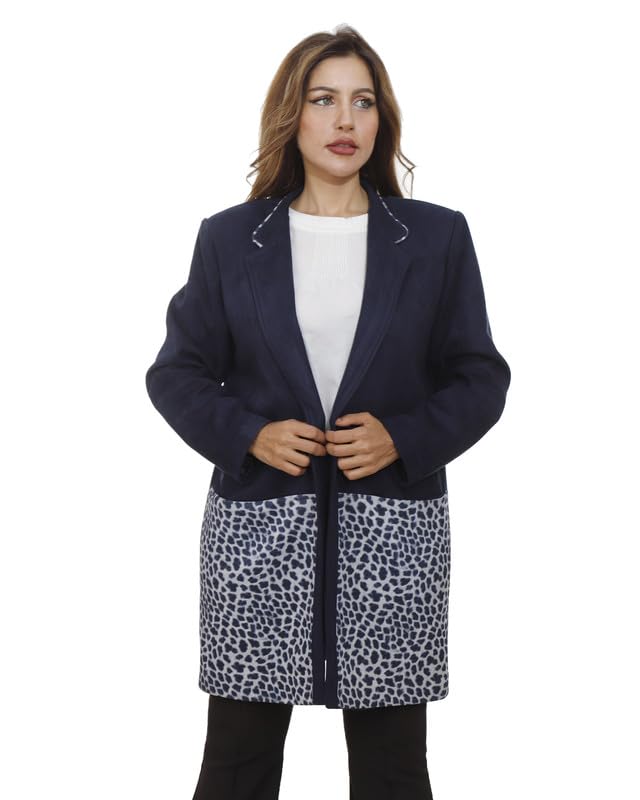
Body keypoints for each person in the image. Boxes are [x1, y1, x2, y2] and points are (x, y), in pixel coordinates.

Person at [145, 24, 511, 800]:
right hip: (257, 538)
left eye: (362, 101)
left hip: (394, 539)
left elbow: (481, 377)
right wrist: (248, 433)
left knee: (393, 771)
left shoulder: (436, 238)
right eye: (323, 99)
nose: (345, 119)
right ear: (293, 114)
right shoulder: (231, 239)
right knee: (236, 763)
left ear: (382, 119)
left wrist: (403, 438)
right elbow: (176, 373)